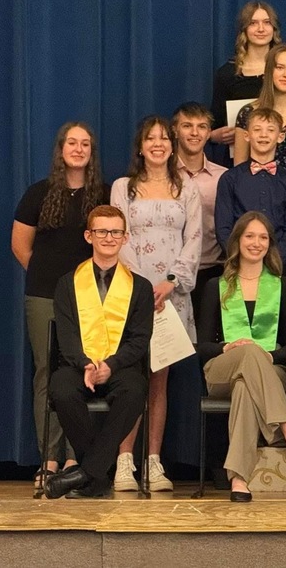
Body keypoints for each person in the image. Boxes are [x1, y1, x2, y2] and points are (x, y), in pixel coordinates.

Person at [197, 212, 286, 502]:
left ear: (270, 244)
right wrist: (226, 348)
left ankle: (239, 479)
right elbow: (201, 345)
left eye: (263, 237)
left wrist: (268, 354)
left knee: (246, 384)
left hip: (271, 368)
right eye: (249, 236)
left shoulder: (284, 287)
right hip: (220, 370)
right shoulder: (215, 286)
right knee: (246, 354)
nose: (256, 242)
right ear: (237, 241)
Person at [12, 122, 109, 487]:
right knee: (45, 373)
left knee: (77, 372)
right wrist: (48, 280)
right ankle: (49, 459)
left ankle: (73, 459)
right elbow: (21, 246)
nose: (79, 148)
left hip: (89, 300)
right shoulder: (39, 193)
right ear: (61, 149)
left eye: (86, 143)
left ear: (91, 152)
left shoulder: (101, 193)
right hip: (43, 296)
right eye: (72, 142)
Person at [111, 116, 202, 493]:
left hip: (172, 297)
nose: (158, 143)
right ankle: (123, 463)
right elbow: (119, 236)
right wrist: (142, 288)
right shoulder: (122, 188)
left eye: (164, 138)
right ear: (141, 146)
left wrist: (170, 282)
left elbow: (195, 238)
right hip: (133, 296)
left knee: (159, 382)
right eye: (151, 138)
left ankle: (153, 463)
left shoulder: (187, 188)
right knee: (130, 379)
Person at [43, 205, 152, 499]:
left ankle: (84, 474)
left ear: (125, 237)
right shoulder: (68, 283)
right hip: (78, 365)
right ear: (89, 236)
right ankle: (97, 474)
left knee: (135, 390)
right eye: (102, 231)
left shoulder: (140, 287)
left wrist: (111, 366)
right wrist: (85, 364)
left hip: (120, 368)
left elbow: (140, 341)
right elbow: (66, 336)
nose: (109, 237)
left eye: (115, 231)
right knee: (61, 389)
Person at [216, 108, 286, 267]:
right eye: (257, 129)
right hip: (238, 266)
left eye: (270, 130)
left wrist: (275, 261)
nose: (263, 135)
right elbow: (223, 228)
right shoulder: (229, 179)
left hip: (279, 266)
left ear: (281, 136)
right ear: (246, 135)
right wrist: (241, 260)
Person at [172, 103, 228, 327]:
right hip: (171, 274)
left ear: (208, 133)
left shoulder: (223, 178)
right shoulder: (161, 175)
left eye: (201, 126)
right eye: (187, 126)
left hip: (212, 272)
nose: (195, 133)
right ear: (175, 130)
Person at [233, 43, 286, 175]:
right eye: (279, 67)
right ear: (269, 71)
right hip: (257, 191)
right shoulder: (248, 113)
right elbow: (238, 172)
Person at [210, 0, 281, 155]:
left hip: (282, 157)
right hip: (239, 158)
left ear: (274, 28)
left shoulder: (285, 69)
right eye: (253, 23)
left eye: (267, 22)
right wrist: (215, 136)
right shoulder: (227, 73)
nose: (261, 29)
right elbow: (214, 125)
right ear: (244, 29)